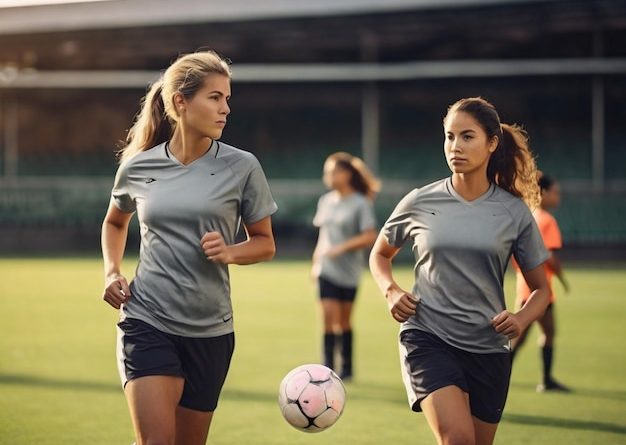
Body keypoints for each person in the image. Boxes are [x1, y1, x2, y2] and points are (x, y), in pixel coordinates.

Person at [101, 51, 278, 445]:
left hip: (210, 332)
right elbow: (115, 221)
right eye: (214, 97)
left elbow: (265, 244)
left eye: (227, 98)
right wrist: (112, 271)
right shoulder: (138, 167)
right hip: (147, 320)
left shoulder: (243, 166)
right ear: (181, 102)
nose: (225, 109)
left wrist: (231, 251)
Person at [369, 97, 551, 445]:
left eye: (467, 137)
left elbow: (541, 289)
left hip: (488, 348)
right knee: (458, 440)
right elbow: (380, 254)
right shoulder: (420, 201)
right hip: (428, 337)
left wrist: (522, 319)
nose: (455, 147)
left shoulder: (513, 213)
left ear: (492, 143)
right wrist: (390, 290)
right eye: (449, 137)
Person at [312, 152, 379, 380]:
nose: (328, 176)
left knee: (344, 321)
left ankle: (347, 368)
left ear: (347, 174)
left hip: (349, 271)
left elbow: (370, 236)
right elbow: (323, 236)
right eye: (326, 172)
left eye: (333, 171)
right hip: (326, 269)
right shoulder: (326, 201)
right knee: (328, 318)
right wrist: (315, 264)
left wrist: (342, 247)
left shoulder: (360, 203)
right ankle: (327, 368)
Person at [512, 173, 570, 392]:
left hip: (525, 285)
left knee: (524, 334)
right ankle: (545, 380)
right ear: (543, 193)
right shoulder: (547, 220)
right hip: (540, 289)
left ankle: (545, 379)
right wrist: (563, 279)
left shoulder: (529, 216)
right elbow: (549, 257)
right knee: (540, 333)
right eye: (555, 193)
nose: (558, 197)